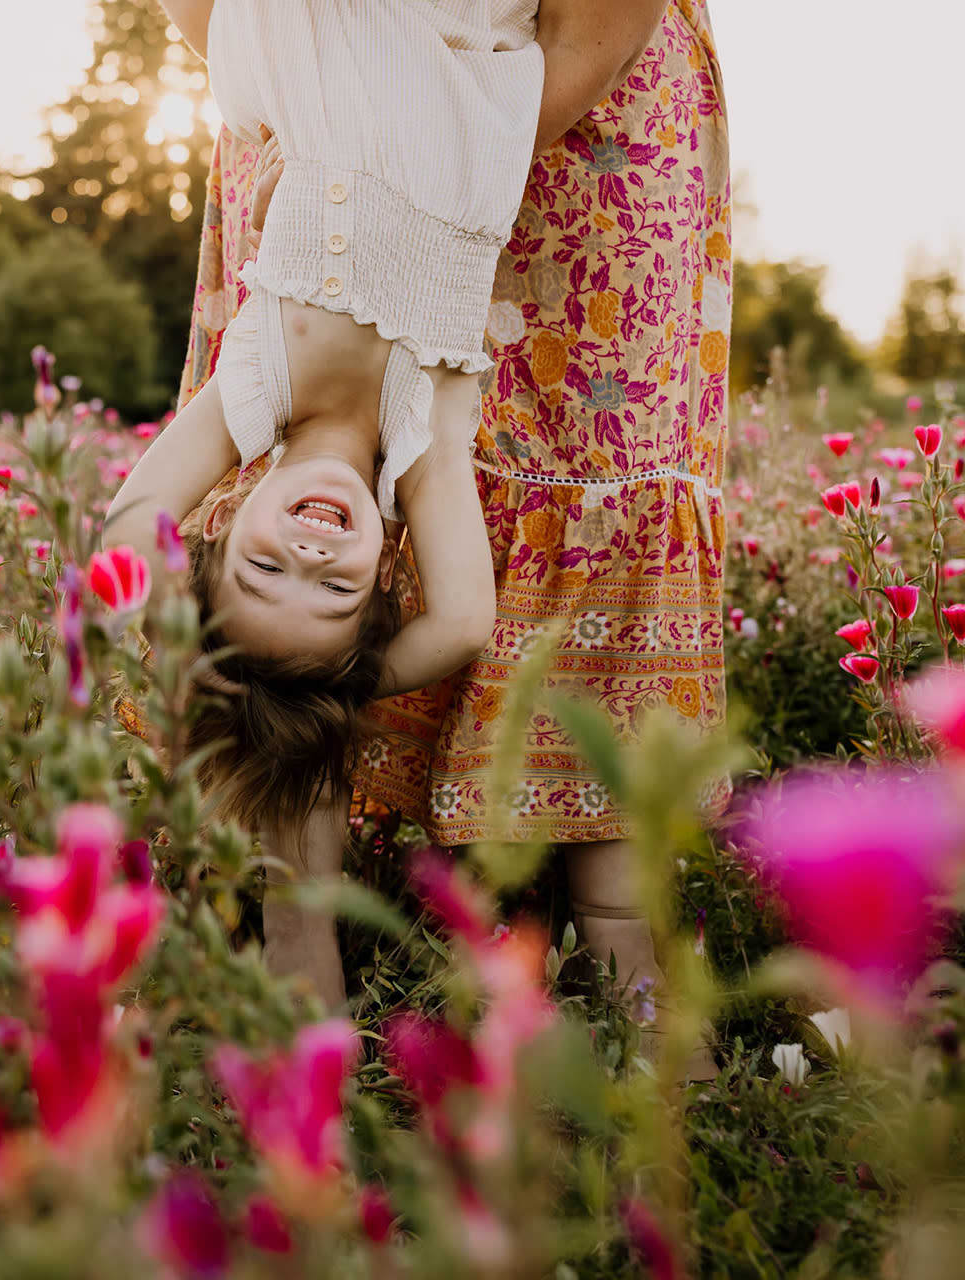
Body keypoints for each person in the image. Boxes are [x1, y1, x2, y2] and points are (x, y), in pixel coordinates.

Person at [177, 0, 731, 1045]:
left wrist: (440, 167)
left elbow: (132, 518)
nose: (308, 554)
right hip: (327, 96)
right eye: (332, 587)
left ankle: (627, 953)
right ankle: (299, 924)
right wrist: (308, 91)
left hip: (565, 74)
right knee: (277, 484)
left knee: (594, 465)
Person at [104, 0, 559, 831]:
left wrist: (192, 658)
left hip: (334, 46)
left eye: (266, 571)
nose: (309, 554)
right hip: (455, 46)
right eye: (335, 587)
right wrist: (338, 685)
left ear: (219, 532)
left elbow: (121, 538)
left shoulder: (255, 391)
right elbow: (461, 626)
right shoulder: (423, 447)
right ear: (377, 585)